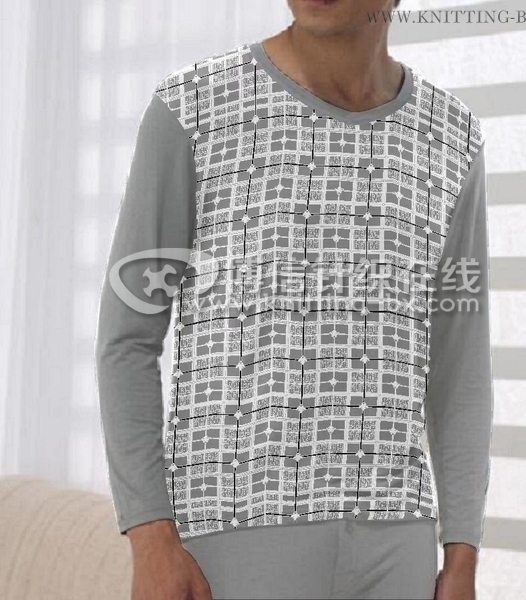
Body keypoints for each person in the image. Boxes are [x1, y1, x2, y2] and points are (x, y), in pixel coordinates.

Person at [94, 0, 494, 598]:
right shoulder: (195, 107)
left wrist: (461, 553)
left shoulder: (452, 136)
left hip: (399, 543)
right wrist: (150, 536)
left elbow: (461, 364)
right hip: (233, 534)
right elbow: (127, 339)